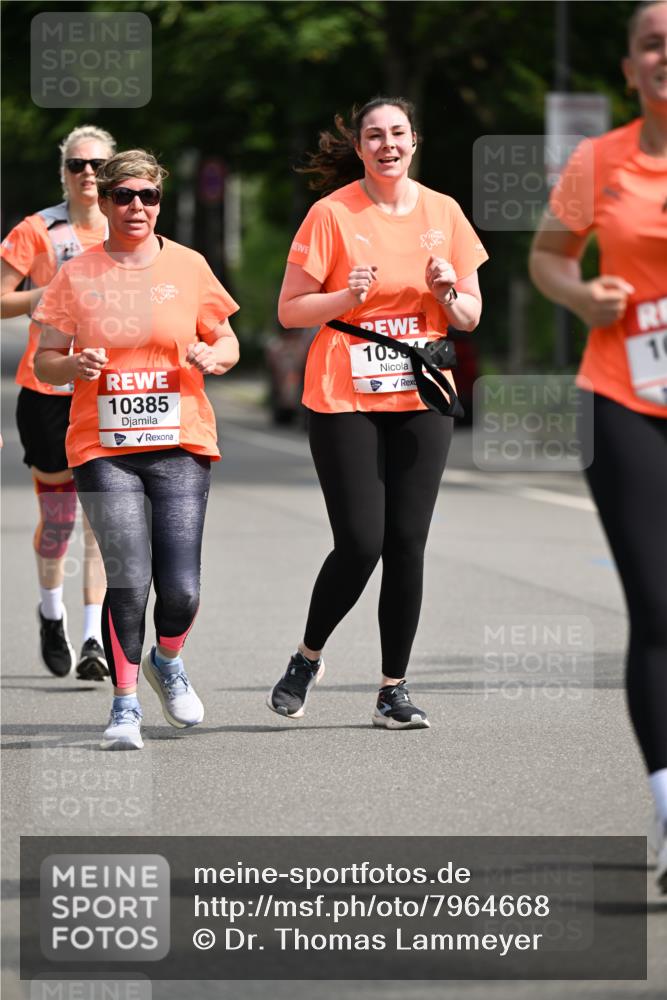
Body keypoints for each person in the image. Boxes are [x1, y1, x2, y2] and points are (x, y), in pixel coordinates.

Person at [267, 97, 488, 729]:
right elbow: (290, 310)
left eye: (397, 133)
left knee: (407, 544)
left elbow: (470, 316)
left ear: (414, 141)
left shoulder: (443, 211)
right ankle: (307, 657)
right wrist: (345, 294)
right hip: (346, 392)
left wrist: (449, 292)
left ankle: (394, 688)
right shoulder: (332, 214)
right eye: (374, 135)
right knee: (361, 541)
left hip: (422, 392)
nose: (387, 143)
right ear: (360, 147)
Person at [33, 149, 240, 750]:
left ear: (159, 201)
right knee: (128, 575)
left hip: (181, 440)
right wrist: (72, 362)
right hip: (104, 445)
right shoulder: (78, 274)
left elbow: (224, 340)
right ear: (104, 198)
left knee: (181, 590)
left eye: (147, 196)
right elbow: (46, 360)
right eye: (123, 195)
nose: (136, 207)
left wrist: (214, 356)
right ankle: (125, 705)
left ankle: (166, 661)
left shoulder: (190, 265)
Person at [529, 0, 667, 892]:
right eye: (652, 44)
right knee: (659, 610)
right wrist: (582, 299)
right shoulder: (597, 161)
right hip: (622, 399)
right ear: (628, 68)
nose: (666, 57)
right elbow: (546, 257)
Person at [1, 125, 115, 681]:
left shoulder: (129, 227)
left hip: (108, 390)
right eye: (77, 164)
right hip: (47, 390)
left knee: (99, 517)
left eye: (97, 164)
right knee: (59, 520)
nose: (88, 173)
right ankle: (52, 614)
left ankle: (93, 637)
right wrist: (41, 295)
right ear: (64, 172)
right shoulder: (37, 230)